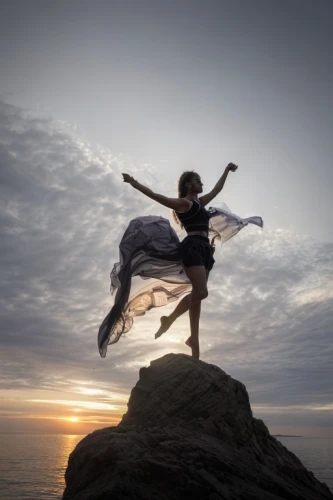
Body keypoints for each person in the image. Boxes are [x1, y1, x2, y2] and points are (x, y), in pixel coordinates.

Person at [122, 163, 238, 359]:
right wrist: (134, 183)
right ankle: (169, 319)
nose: (201, 183)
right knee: (201, 292)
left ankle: (194, 343)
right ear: (188, 184)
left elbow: (217, 189)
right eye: (197, 180)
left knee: (197, 297)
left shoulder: (201, 203)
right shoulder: (185, 204)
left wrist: (226, 170)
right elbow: (158, 197)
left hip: (206, 251)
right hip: (192, 247)